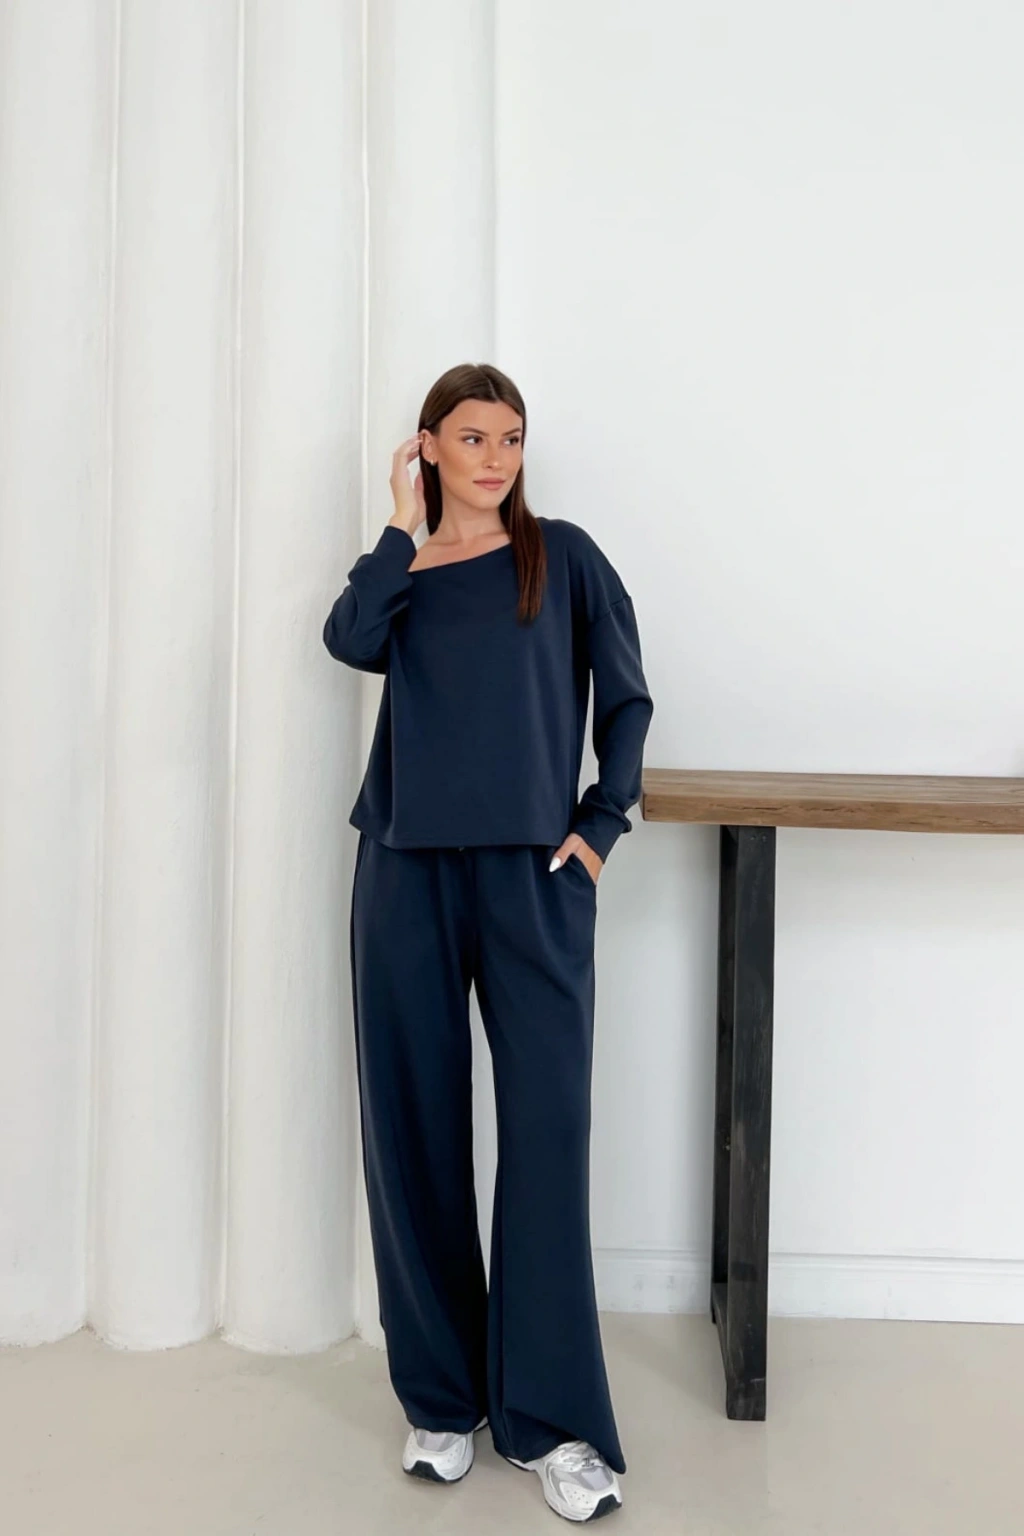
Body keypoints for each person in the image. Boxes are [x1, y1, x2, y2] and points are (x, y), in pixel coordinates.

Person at [322, 362, 654, 1523]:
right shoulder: (404, 574)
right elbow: (346, 640)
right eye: (471, 437)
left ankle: (552, 1424)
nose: (496, 457)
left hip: (533, 879)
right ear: (427, 447)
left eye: (510, 438)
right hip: (404, 872)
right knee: (411, 1130)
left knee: (548, 1136)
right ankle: (441, 1400)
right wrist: (398, 526)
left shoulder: (560, 558)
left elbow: (626, 698)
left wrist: (600, 827)